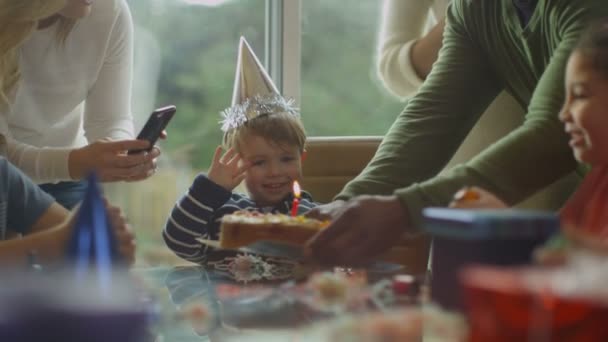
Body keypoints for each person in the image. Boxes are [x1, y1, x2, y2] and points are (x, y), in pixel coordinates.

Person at [306, 0, 608, 266]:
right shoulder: (475, 9)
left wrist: (405, 210)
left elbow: (551, 133)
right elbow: (432, 115)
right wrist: (348, 202)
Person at [451, 20, 608, 255]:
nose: (564, 113)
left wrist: (512, 226)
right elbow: (550, 250)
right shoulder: (600, 178)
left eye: (580, 95)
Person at [163, 38, 317, 264]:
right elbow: (179, 241)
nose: (275, 171)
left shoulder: (311, 216)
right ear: (237, 163)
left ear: (301, 158)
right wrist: (209, 191)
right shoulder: (223, 216)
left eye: (286, 159)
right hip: (225, 300)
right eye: (259, 162)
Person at [0, 0, 160, 209]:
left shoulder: (110, 10)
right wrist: (74, 163)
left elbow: (111, 119)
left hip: (70, 177)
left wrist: (123, 153)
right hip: (8, 179)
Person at [0, 154, 136, 266]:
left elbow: (85, 237)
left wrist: (111, 236)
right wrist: (55, 245)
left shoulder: (4, 173)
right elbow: (72, 241)